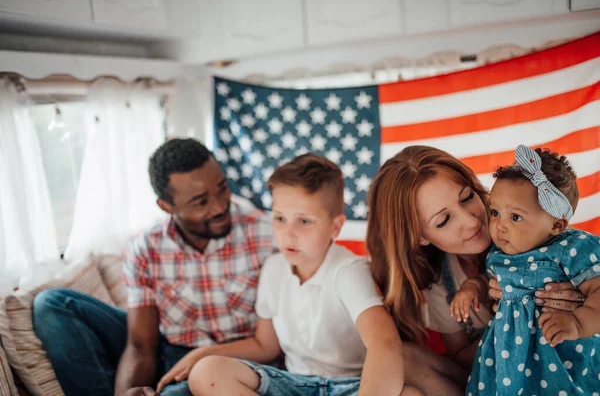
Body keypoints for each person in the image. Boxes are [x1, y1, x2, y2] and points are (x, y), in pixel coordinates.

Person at [156, 153, 422, 396]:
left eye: (304, 221)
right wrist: (203, 353)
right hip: (292, 384)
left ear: (335, 227)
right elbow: (265, 346)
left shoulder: (348, 271)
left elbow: (384, 342)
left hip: (349, 386)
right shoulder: (273, 268)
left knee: (411, 395)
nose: (288, 233)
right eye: (280, 218)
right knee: (207, 371)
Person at [32, 138, 276, 396]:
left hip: (234, 364)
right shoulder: (145, 250)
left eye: (222, 188)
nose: (219, 206)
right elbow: (140, 344)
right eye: (200, 201)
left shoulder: (267, 234)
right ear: (167, 207)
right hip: (171, 352)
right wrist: (128, 391)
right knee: (52, 304)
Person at [365, 145, 587, 396]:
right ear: (419, 237)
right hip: (497, 376)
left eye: (467, 197)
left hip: (565, 368)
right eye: (443, 220)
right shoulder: (441, 283)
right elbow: (460, 356)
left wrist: (583, 301)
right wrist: (509, 320)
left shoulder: (531, 227)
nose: (471, 222)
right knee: (403, 359)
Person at [464, 145, 600, 395]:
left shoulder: (572, 249)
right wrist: (471, 287)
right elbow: (488, 281)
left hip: (561, 356)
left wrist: (578, 322)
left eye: (515, 217)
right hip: (507, 359)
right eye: (495, 212)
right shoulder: (499, 253)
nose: (499, 226)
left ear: (556, 225)